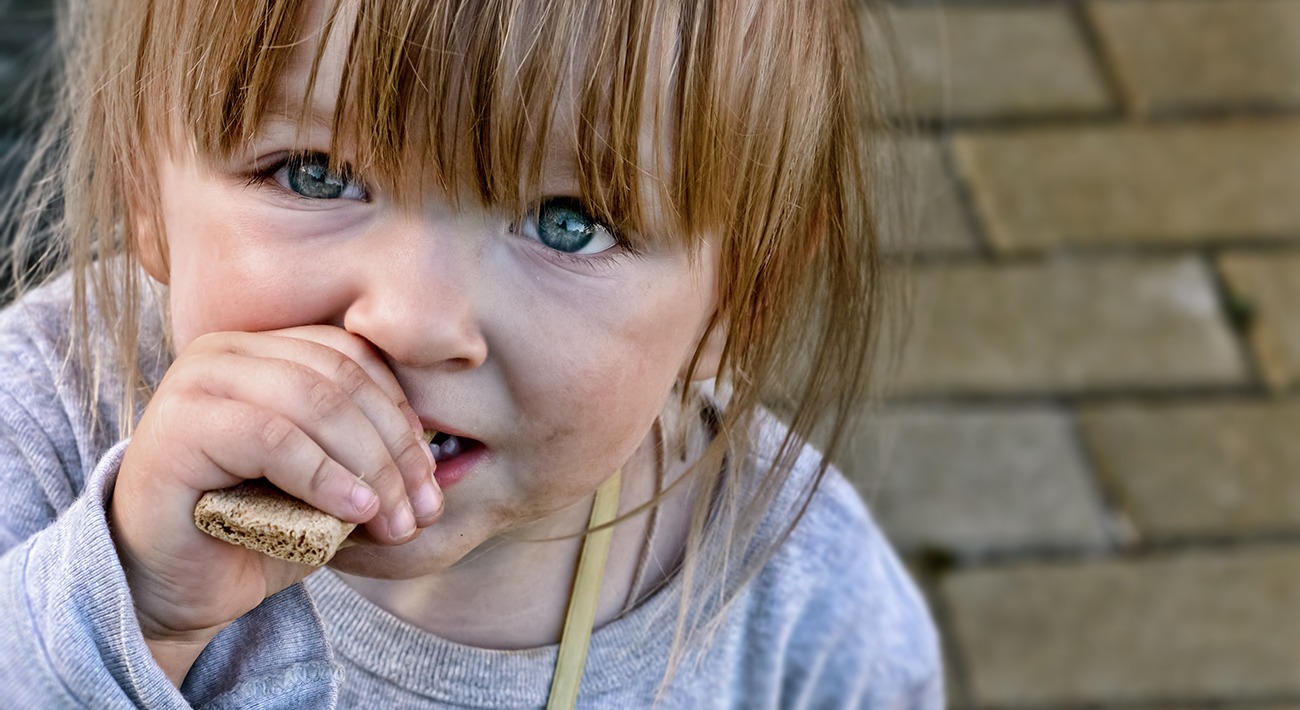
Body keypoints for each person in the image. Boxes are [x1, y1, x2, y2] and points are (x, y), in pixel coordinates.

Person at [0, 0, 942, 707]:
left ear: (741, 296)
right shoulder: (45, 424)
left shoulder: (808, 617)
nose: (411, 321)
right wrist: (132, 601)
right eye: (315, 174)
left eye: (568, 224)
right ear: (141, 189)